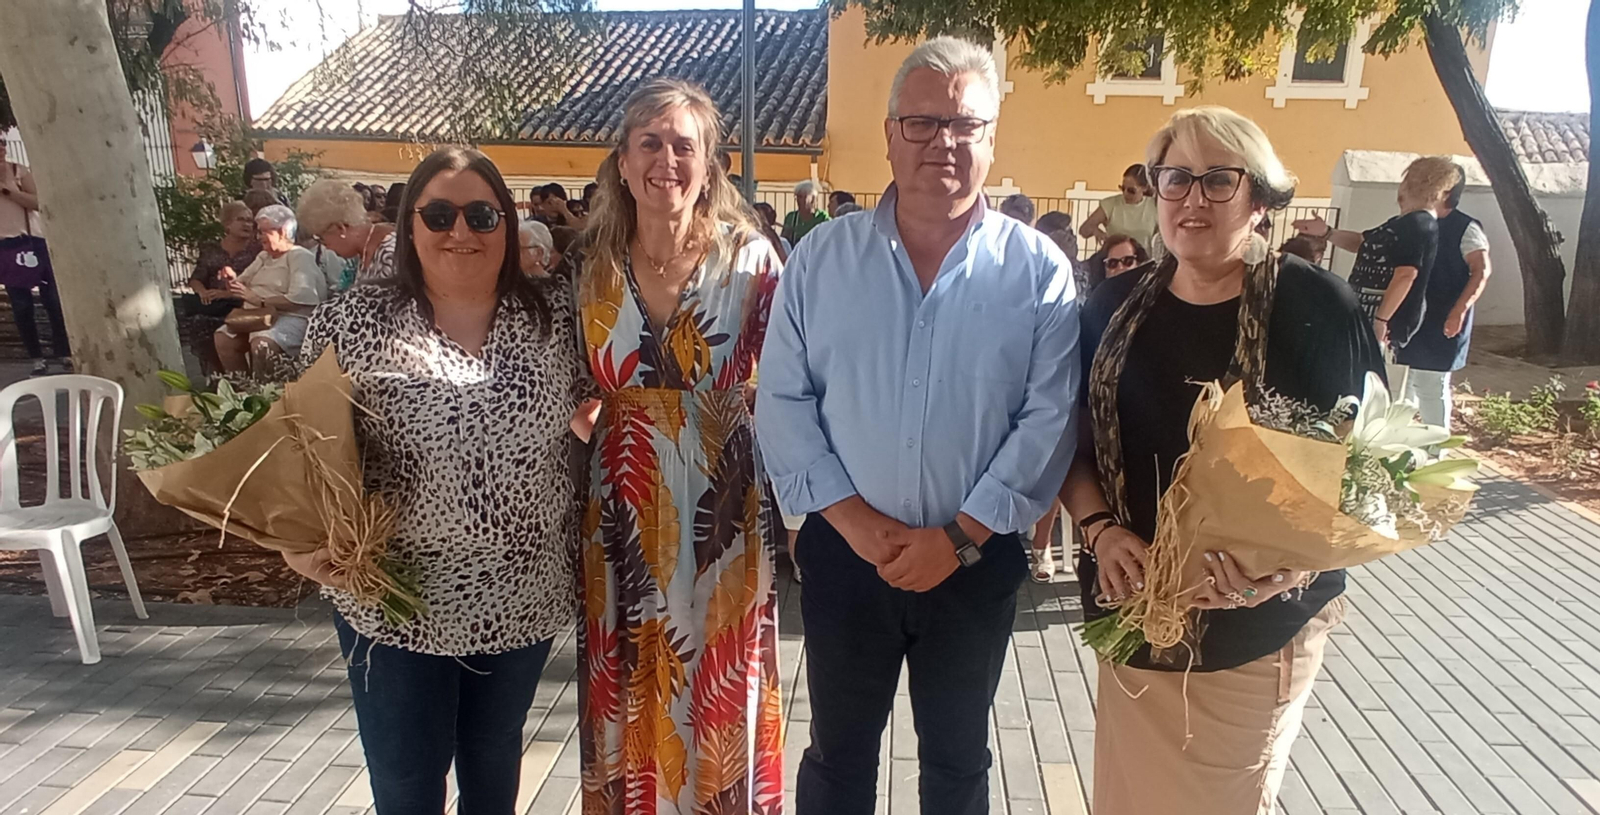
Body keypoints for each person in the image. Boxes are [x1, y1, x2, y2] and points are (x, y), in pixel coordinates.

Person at [756, 37, 1078, 814]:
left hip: (974, 560)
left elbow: (1049, 418)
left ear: (992, 137)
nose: (945, 141)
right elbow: (783, 400)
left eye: (966, 124)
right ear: (891, 131)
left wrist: (960, 536)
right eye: (924, 121)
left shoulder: (1038, 272)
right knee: (837, 758)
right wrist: (851, 521)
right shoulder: (821, 260)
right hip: (846, 553)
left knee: (959, 761)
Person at [1062, 106, 1385, 815]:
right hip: (1136, 617)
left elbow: (1375, 472)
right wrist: (1099, 531)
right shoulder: (1111, 308)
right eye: (1175, 179)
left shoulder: (1316, 306)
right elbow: (1072, 444)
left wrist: (1292, 565)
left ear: (1260, 197)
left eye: (1218, 180)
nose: (1192, 199)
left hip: (1257, 629)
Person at [286, 146, 587, 815]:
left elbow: (613, 403)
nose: (461, 231)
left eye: (482, 214)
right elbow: (298, 445)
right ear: (409, 223)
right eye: (440, 213)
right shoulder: (351, 322)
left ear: (507, 225)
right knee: (406, 785)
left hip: (519, 597)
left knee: (492, 768)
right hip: (394, 602)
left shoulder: (556, 317)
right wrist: (296, 544)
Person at [574, 77, 783, 814]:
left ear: (708, 163)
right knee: (634, 674)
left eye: (683, 145)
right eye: (650, 144)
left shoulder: (752, 264)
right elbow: (568, 386)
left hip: (721, 508)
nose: (667, 160)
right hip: (620, 510)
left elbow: (793, 382)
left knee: (718, 676)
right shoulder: (589, 266)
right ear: (624, 164)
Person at [1295, 157, 1454, 349]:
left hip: (1383, 326)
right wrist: (1327, 232)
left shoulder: (1419, 225)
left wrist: (1381, 320)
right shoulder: (1402, 222)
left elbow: (1406, 275)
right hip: (1366, 317)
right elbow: (1361, 242)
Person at [1393, 165, 1491, 429]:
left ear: (1445, 191)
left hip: (1442, 318)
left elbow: (1481, 270)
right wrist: (1328, 234)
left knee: (1431, 386)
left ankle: (1435, 453)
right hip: (1410, 316)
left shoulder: (1465, 227)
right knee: (1404, 384)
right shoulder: (1413, 221)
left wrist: (1459, 310)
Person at [213, 204, 325, 375]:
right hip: (257, 316)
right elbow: (240, 285)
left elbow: (299, 300)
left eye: (264, 231)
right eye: (259, 231)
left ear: (283, 232)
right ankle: (241, 392)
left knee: (262, 344)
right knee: (223, 338)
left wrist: (260, 300)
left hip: (290, 317)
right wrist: (231, 279)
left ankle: (265, 393)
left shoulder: (300, 256)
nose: (259, 237)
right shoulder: (264, 256)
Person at [0, 142, 71, 375]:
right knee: (21, 306)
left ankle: (64, 352)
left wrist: (10, 190)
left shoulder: (18, 171)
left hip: (33, 242)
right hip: (5, 247)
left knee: (53, 300)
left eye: (2, 143)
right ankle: (37, 359)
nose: (1, 148)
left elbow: (38, 203)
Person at [297, 178, 398, 286]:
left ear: (340, 228)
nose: (326, 248)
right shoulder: (365, 248)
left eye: (322, 239)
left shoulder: (389, 251)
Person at [1080, 163, 1158, 249]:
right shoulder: (1110, 204)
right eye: (1122, 188)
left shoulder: (1153, 206)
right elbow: (1084, 230)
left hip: (1145, 260)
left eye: (1131, 190)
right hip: (1115, 259)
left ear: (1145, 188)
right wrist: (1096, 231)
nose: (1125, 193)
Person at [782, 179, 830, 245]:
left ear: (813, 199)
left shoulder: (823, 217)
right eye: (797, 197)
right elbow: (784, 241)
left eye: (802, 197)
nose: (798, 200)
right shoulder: (791, 217)